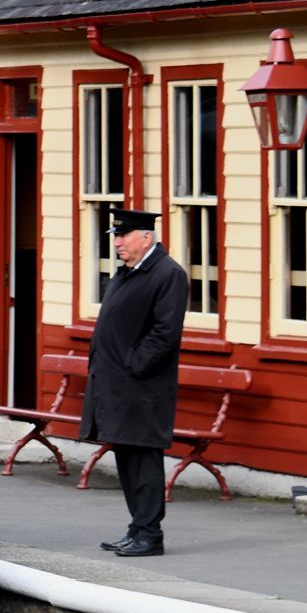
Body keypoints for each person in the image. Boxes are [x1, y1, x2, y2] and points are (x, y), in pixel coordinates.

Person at [79, 208, 188, 558]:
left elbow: (165, 332)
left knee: (143, 459)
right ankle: (137, 527)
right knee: (126, 457)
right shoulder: (128, 272)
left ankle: (150, 534)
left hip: (142, 387)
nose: (118, 243)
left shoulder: (168, 274)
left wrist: (133, 365)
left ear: (146, 237)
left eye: (123, 237)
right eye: (116, 237)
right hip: (118, 384)